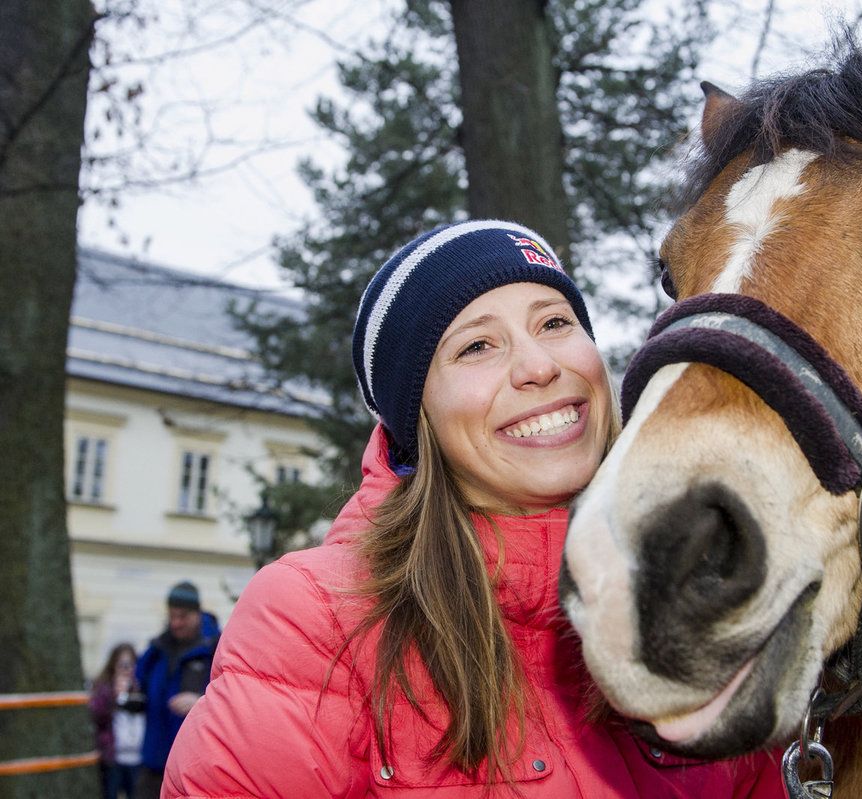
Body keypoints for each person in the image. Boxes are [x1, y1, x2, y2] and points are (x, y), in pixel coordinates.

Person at [164, 220, 783, 797]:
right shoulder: (317, 619)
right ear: (419, 415)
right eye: (478, 346)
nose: (540, 367)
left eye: (555, 323)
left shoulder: (700, 582)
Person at [136, 581, 219, 798]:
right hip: (153, 764)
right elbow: (138, 683)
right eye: (172, 616)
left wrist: (201, 702)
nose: (176, 623)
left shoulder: (215, 649)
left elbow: (230, 699)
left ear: (197, 614)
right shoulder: (156, 649)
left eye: (182, 616)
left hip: (192, 768)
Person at [89, 642, 145, 799]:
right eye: (122, 664)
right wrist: (113, 696)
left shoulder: (141, 686)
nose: (127, 669)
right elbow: (95, 715)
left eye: (131, 664)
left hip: (137, 757)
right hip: (112, 756)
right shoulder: (104, 687)